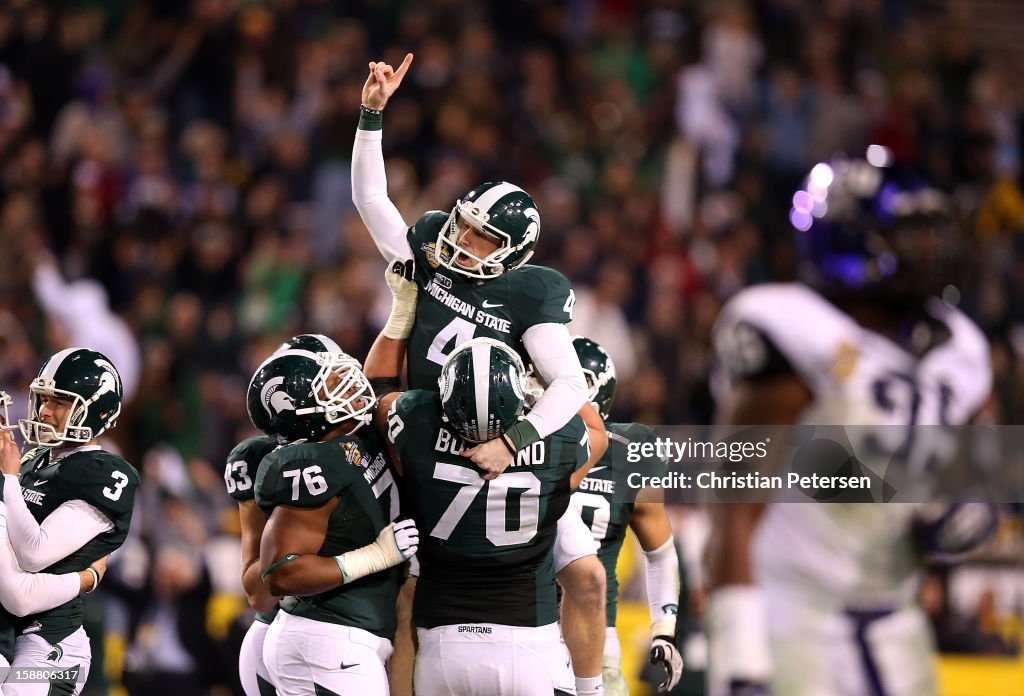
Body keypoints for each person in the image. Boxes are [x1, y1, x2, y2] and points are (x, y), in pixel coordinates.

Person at [705, 152, 998, 696]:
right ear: (850, 238)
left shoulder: (958, 347)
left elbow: (967, 485)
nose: (931, 250)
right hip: (791, 616)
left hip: (897, 623)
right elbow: (731, 512)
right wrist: (740, 656)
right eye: (909, 234)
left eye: (932, 233)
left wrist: (965, 509)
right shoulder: (792, 328)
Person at [351, 53, 595, 482]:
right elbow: (370, 200)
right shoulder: (431, 252)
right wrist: (372, 113)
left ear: (514, 252)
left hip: (487, 448)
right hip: (418, 429)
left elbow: (571, 384)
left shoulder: (532, 292)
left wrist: (511, 442)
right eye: (464, 224)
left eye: (483, 236)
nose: (463, 239)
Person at [365, 333, 587, 696]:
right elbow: (588, 434)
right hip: (529, 641)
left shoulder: (415, 420)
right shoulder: (563, 436)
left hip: (441, 646)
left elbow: (379, 395)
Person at [250, 346, 418, 695]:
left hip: (344, 641)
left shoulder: (358, 436)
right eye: (329, 383)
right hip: (326, 639)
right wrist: (376, 556)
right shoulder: (311, 465)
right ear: (304, 413)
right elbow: (282, 572)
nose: (346, 383)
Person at [536, 337, 685, 695]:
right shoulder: (519, 444)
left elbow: (660, 553)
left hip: (596, 637)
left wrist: (663, 628)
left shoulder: (630, 454)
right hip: (528, 631)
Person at [0, 349, 138, 696]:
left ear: (96, 410)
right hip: (14, 627)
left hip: (52, 649)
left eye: (60, 402)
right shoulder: (33, 459)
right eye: (44, 399)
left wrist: (9, 479)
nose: (45, 410)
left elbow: (34, 553)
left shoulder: (106, 473)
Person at [225, 333, 344, 696]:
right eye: (332, 380)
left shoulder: (364, 440)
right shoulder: (264, 460)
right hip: (293, 638)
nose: (345, 388)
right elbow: (260, 593)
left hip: (350, 637)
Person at [0, 391, 110, 685]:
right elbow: (19, 595)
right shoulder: (11, 483)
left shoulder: (92, 472)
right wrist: (87, 578)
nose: (43, 412)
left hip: (45, 645)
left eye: (57, 402)